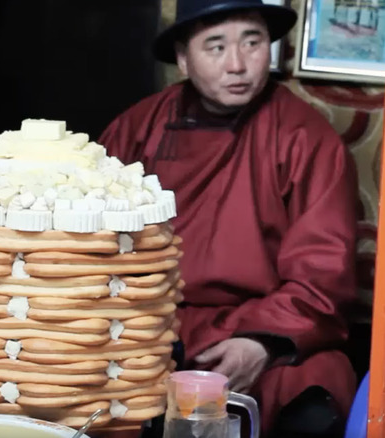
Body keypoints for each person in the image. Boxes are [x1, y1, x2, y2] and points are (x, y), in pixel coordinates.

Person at [99, 0, 358, 436]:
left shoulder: (305, 137)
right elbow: (91, 246)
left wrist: (261, 343)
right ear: (183, 59)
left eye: (252, 43)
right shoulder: (136, 128)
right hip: (150, 322)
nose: (237, 64)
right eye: (216, 47)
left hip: (256, 322)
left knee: (320, 382)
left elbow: (323, 278)